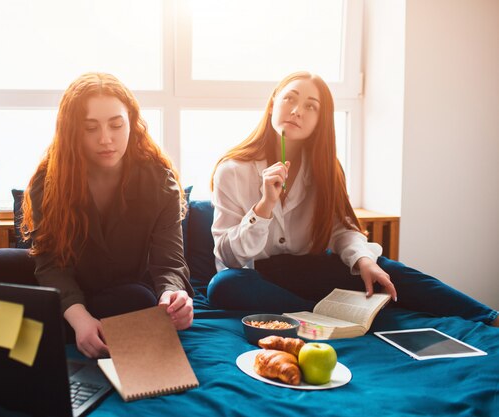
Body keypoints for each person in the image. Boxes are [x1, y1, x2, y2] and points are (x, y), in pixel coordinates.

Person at [207, 71, 498, 327]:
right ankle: (327, 316)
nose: (297, 111)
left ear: (320, 120)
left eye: (311, 106)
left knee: (383, 267)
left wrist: (363, 261)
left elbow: (341, 229)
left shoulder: (326, 168)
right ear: (273, 103)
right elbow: (229, 256)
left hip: (313, 271)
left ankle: (488, 318)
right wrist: (264, 206)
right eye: (289, 99)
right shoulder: (232, 170)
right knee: (224, 285)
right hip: (259, 278)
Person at [20, 72, 194, 358]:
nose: (105, 139)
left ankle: (32, 329)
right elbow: (50, 265)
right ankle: (63, 326)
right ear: (73, 131)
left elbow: (169, 265)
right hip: (65, 287)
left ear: (132, 124)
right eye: (90, 128)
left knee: (138, 299)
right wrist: (79, 318)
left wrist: (173, 297)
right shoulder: (49, 180)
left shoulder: (159, 183)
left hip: (120, 292)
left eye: (116, 125)